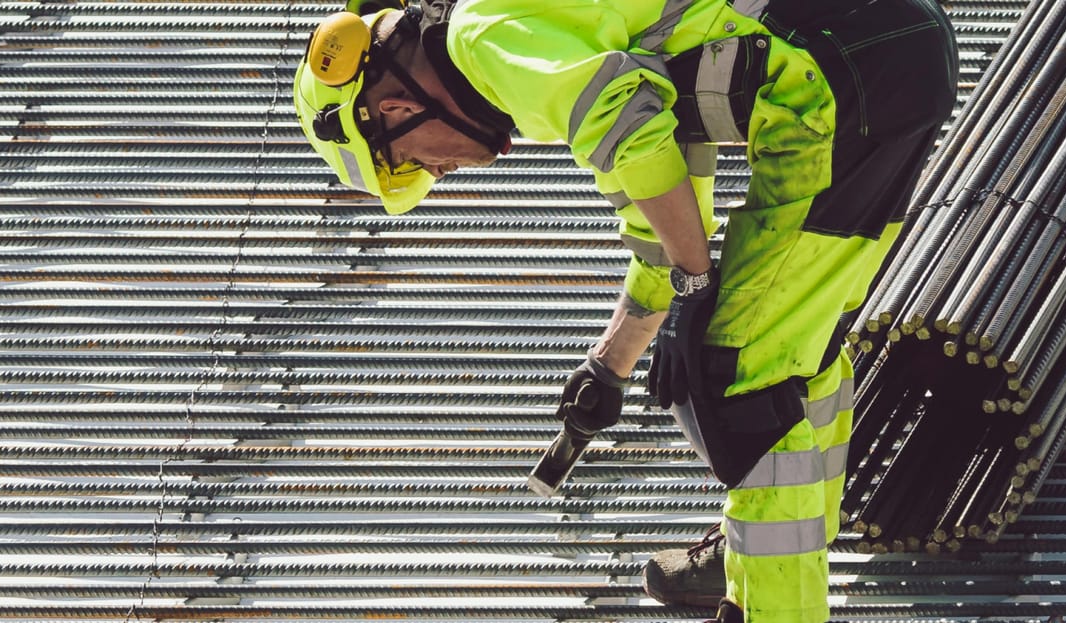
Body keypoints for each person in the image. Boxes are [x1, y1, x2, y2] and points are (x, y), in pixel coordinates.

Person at [291, 0, 958, 620]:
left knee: (744, 376)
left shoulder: (483, 41)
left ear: (397, 107)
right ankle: (757, 557)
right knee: (792, 352)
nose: (436, 175)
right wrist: (610, 364)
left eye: (411, 162)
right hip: (879, 55)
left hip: (840, 74)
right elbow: (661, 195)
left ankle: (773, 600)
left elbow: (634, 136)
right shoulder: (524, 34)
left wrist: (695, 289)